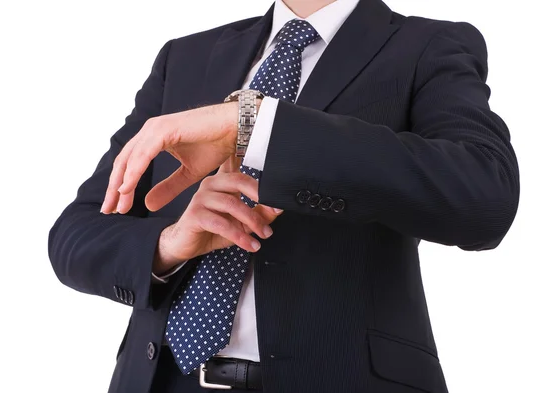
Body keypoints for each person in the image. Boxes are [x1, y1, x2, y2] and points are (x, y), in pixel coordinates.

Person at [48, 0, 520, 391]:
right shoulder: (186, 57)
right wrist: (169, 244)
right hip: (162, 378)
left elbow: (484, 196)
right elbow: (76, 233)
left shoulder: (426, 47)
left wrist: (256, 124)